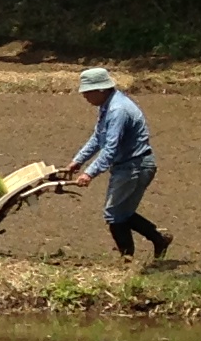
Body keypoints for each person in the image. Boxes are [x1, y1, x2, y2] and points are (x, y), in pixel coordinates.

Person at [66, 66, 170, 263]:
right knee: (122, 213)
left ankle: (127, 259)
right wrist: (77, 161)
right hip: (132, 165)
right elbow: (98, 138)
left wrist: (89, 173)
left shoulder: (118, 110)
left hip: (134, 166)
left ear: (101, 90)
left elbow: (110, 149)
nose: (85, 97)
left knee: (114, 215)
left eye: (88, 92)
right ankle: (158, 239)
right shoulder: (108, 106)